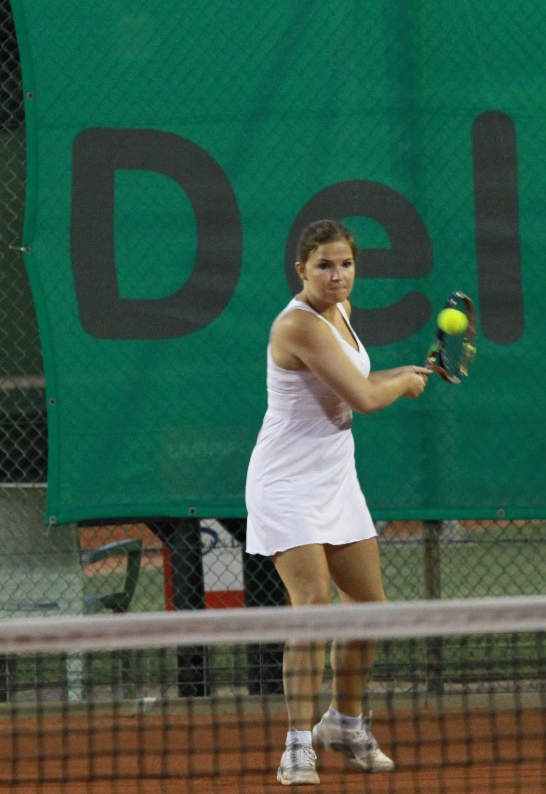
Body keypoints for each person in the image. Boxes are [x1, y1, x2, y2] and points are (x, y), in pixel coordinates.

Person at [244, 219, 431, 786]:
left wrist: (400, 372)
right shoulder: (298, 325)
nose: (337, 275)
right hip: (285, 484)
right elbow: (366, 399)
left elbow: (354, 382)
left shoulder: (341, 311)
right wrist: (402, 384)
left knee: (368, 606)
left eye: (345, 264)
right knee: (314, 606)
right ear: (301, 270)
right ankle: (297, 745)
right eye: (324, 265)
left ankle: (345, 724)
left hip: (334, 479)